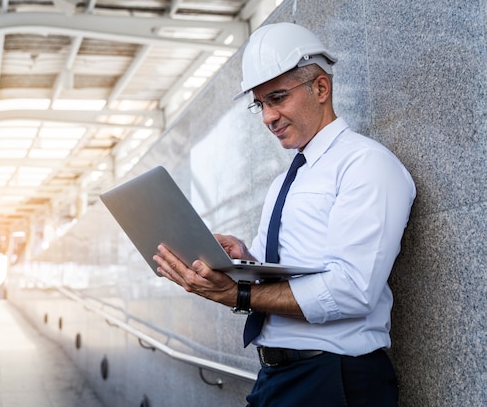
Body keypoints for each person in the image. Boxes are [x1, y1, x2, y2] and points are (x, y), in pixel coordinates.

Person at [152, 22, 415, 407]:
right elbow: (285, 267)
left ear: (321, 89)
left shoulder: (366, 165)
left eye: (277, 98)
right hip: (277, 377)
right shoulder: (284, 181)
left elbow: (352, 289)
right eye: (261, 104)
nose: (267, 117)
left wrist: (239, 295)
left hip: (333, 380)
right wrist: (243, 259)